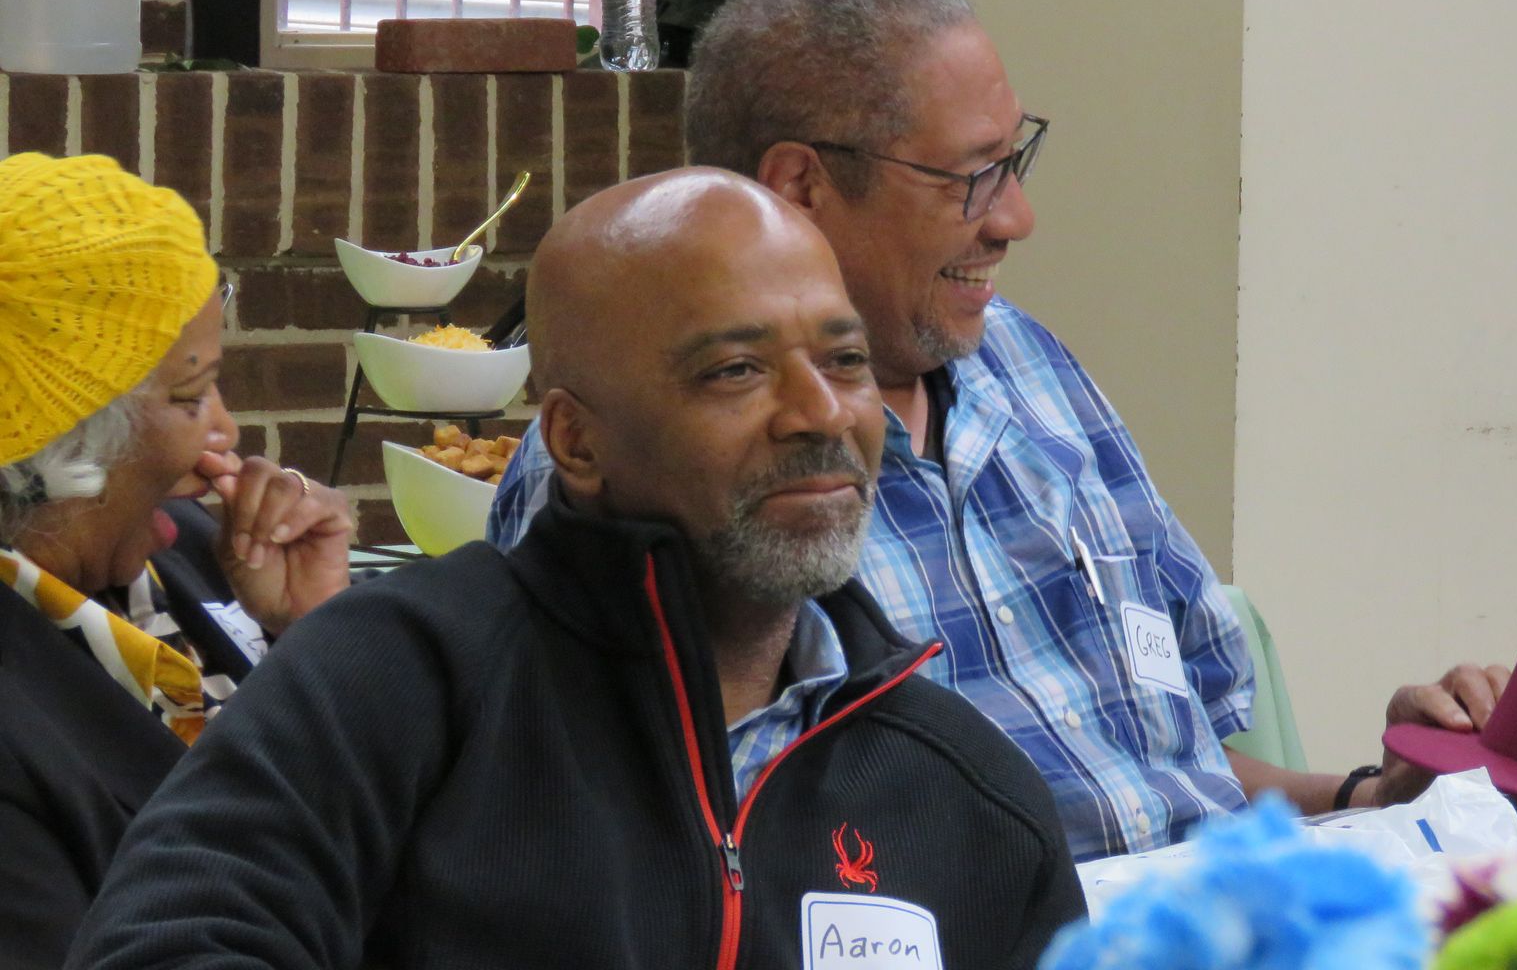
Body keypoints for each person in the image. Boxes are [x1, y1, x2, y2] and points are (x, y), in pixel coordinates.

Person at [485, 0, 1510, 862]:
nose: (1017, 217)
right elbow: (638, 862)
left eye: (1013, 163)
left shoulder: (1025, 365)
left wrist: (1373, 797)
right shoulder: (649, 455)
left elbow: (1173, 779)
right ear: (800, 186)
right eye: (972, 178)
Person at [69, 169, 1085, 970]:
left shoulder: (961, 790)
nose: (821, 412)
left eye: (845, 360)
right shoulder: (395, 680)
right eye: (735, 370)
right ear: (576, 441)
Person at [0, 152, 355, 968]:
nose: (224, 434)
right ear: (66, 442)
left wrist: (322, 637)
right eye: (192, 396)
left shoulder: (191, 551)